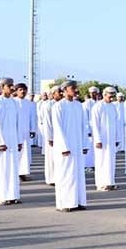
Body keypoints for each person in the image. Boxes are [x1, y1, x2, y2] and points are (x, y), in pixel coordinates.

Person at [52, 80, 89, 211]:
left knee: (78, 173)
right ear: (65, 90)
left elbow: (83, 126)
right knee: (66, 174)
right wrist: (64, 147)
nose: (75, 89)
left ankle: (78, 201)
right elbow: (58, 128)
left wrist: (85, 144)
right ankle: (65, 203)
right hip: (66, 147)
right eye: (73, 88)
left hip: (78, 145)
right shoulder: (58, 106)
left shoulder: (79, 105)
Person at [0, 78, 21, 205]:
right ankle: (0, 196)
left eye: (12, 85)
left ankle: (13, 195)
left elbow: (17, 123)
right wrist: (1, 142)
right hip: (0, 142)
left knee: (13, 168)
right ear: (2, 88)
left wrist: (18, 141)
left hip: (12, 141)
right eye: (9, 86)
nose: (12, 88)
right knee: (1, 169)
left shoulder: (13, 103)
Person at [90, 87, 122, 191]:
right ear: (104, 95)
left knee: (111, 160)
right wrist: (98, 139)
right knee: (101, 160)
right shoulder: (97, 107)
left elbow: (117, 123)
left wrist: (117, 138)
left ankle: (110, 182)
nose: (112, 98)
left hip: (111, 138)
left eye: (113, 96)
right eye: (110, 96)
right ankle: (101, 184)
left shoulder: (113, 107)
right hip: (101, 139)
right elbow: (94, 125)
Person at [13, 83, 37, 181]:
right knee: (16, 152)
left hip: (25, 131)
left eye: (24, 90)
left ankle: (22, 173)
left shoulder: (29, 103)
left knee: (25, 153)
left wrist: (33, 129)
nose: (22, 92)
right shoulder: (13, 102)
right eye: (20, 90)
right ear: (16, 91)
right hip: (15, 131)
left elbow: (32, 117)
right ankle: (15, 173)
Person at [41, 86, 62, 185]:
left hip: (60, 135)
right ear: (53, 94)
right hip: (52, 135)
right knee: (51, 158)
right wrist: (50, 137)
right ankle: (51, 179)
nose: (61, 93)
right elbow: (48, 122)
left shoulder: (62, 104)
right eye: (59, 92)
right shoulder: (49, 105)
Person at [82, 87, 100, 171]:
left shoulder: (99, 103)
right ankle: (88, 165)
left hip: (97, 128)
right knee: (89, 147)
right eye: (92, 92)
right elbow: (85, 118)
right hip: (89, 128)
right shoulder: (86, 103)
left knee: (96, 147)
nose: (94, 94)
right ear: (89, 93)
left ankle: (96, 164)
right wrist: (87, 130)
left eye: (95, 92)